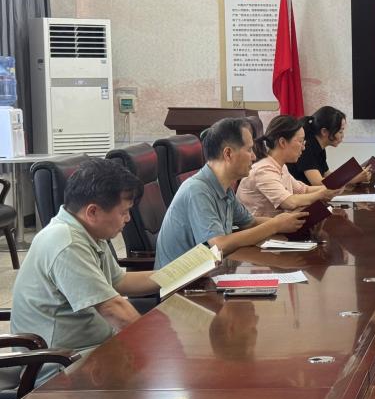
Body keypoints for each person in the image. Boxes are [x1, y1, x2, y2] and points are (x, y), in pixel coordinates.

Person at [10, 159, 160, 368]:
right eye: (123, 212)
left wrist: (179, 273)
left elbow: (119, 281)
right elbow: (112, 308)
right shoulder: (66, 242)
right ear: (92, 212)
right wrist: (157, 344)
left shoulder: (89, 232)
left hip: (93, 351)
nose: (127, 219)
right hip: (59, 365)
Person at [155, 117, 309, 269]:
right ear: (228, 154)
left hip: (208, 272)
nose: (254, 156)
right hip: (180, 281)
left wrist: (291, 223)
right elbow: (219, 245)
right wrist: (275, 225)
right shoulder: (197, 190)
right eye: (249, 150)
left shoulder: (225, 188)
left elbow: (250, 223)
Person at [237, 115, 343, 218]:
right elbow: (289, 202)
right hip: (262, 229)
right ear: (282, 142)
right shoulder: (264, 170)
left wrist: (331, 189)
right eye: (300, 141)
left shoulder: (281, 166)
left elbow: (303, 190)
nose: (303, 147)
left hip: (278, 225)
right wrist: (322, 194)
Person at [289, 106, 348, 186]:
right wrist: (350, 179)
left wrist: (351, 175)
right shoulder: (307, 146)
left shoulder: (319, 147)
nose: (342, 136)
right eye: (340, 132)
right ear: (324, 132)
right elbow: (318, 183)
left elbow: (327, 175)